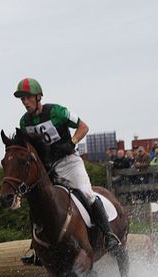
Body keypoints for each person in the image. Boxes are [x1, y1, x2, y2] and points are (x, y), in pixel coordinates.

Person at [14, 77, 120, 250]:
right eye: (22, 99)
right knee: (38, 202)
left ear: (38, 96)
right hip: (49, 169)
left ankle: (109, 235)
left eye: (28, 97)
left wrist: (72, 141)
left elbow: (83, 127)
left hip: (69, 162)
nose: (25, 102)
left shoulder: (57, 111)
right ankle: (36, 247)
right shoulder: (24, 122)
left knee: (87, 194)